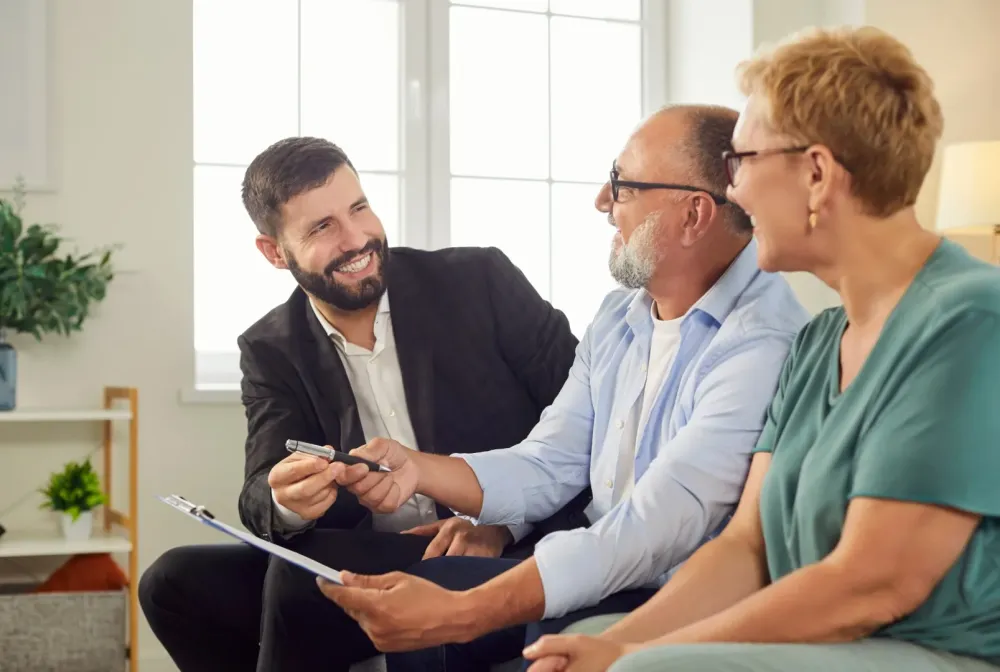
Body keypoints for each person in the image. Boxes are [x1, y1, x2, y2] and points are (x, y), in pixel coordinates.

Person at [518, 25, 1000, 672]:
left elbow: (870, 585)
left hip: (939, 653)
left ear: (817, 173)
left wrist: (634, 653)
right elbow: (746, 548)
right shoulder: (818, 342)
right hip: (835, 642)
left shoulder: (969, 320)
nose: (734, 192)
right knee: (591, 640)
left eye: (741, 162)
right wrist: (614, 643)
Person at [318, 104, 811, 669]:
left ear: (693, 215)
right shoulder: (619, 317)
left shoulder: (760, 343)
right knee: (429, 588)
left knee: (481, 621)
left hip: (673, 590)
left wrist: (466, 611)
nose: (603, 201)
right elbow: (550, 462)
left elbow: (654, 529)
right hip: (602, 561)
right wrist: (414, 468)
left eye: (622, 185)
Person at [138, 137, 585, 672]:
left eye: (359, 208)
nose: (357, 240)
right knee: (171, 583)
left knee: (306, 571)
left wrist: (500, 524)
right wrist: (287, 499)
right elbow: (259, 492)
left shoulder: (479, 281)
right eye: (322, 227)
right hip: (380, 554)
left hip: (502, 543)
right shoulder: (271, 346)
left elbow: (593, 427)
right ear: (274, 252)